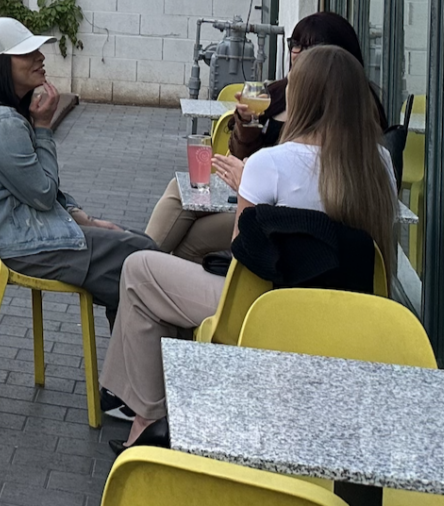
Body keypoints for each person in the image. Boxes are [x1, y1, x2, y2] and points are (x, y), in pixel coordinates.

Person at [102, 45, 398, 452]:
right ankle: (158, 409)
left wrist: (246, 184)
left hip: (265, 314)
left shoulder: (271, 164)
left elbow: (242, 254)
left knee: (139, 270)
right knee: (166, 272)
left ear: (302, 98)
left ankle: (150, 420)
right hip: (355, 318)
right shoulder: (379, 164)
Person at [0, 17, 156, 320]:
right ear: (0, 64)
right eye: (27, 53)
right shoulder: (1, 124)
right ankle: (149, 349)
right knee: (143, 259)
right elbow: (43, 194)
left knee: (137, 261)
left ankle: (134, 347)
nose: (40, 57)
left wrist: (83, 218)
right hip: (18, 246)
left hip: (1, 240)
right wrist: (43, 128)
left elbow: (30, 187)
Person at [141, 11, 387, 261]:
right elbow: (248, 158)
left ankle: (139, 265)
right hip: (256, 196)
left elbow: (304, 188)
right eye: (295, 44)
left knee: (191, 238)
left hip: (282, 220)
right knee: (179, 190)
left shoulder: (352, 113)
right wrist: (246, 126)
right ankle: (137, 260)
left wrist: (249, 180)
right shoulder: (277, 92)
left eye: (311, 47)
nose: (299, 53)